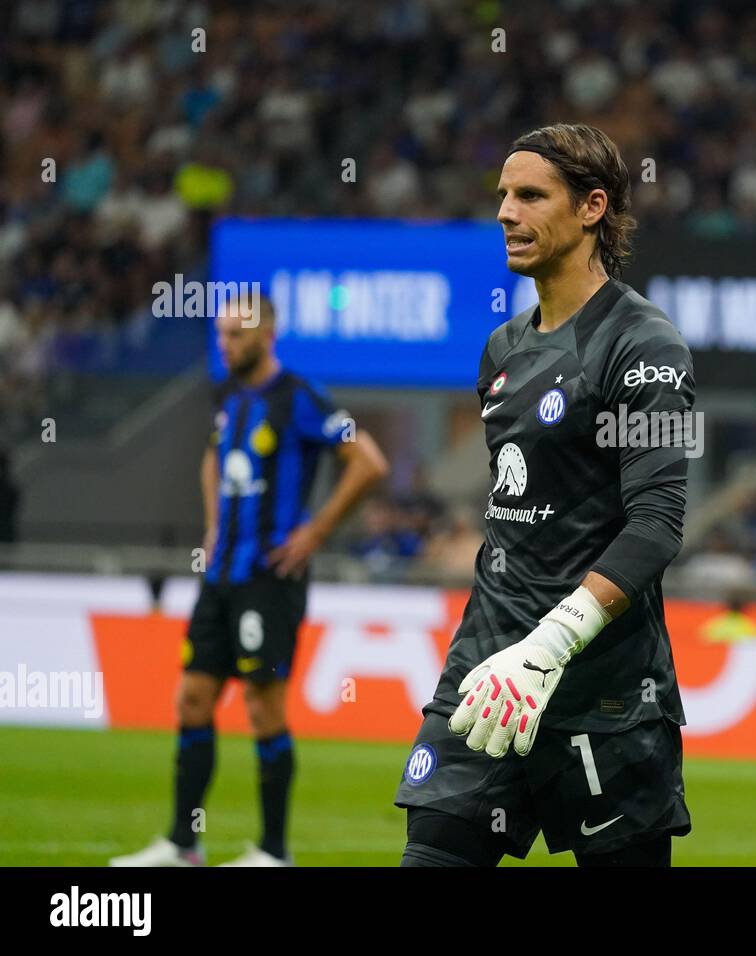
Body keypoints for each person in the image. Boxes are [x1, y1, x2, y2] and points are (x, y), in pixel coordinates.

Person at [394, 123, 694, 867]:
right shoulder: (502, 349)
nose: (505, 211)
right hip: (491, 676)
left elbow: (657, 525)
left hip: (605, 692)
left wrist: (550, 645)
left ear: (593, 208)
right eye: (502, 194)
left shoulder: (644, 345)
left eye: (530, 195)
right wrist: (508, 651)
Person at [110, 292, 389, 867]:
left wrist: (315, 533)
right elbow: (213, 458)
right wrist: (213, 524)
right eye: (220, 335)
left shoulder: (301, 398)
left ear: (266, 335)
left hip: (270, 578)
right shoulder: (229, 397)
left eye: (235, 334)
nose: (225, 344)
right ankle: (183, 843)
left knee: (264, 708)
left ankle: (273, 850)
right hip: (221, 576)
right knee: (191, 698)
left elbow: (369, 461)